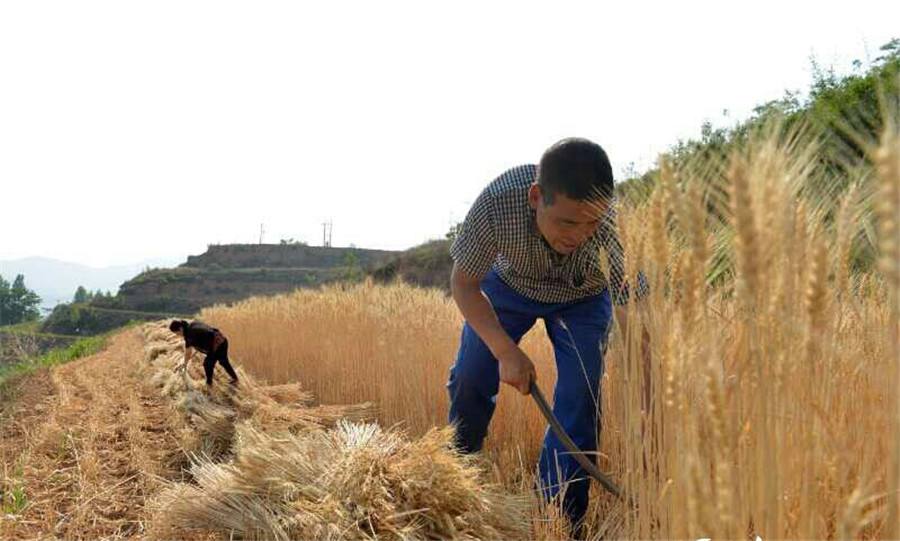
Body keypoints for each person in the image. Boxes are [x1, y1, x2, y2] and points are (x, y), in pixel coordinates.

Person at [446, 137, 649, 534]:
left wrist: (649, 403)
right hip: (510, 289)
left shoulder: (614, 228)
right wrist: (505, 350)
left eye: (592, 223)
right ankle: (454, 477)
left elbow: (634, 320)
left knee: (581, 400)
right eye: (568, 222)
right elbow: (464, 284)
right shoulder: (498, 202)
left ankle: (558, 519)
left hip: (583, 300)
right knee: (471, 375)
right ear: (536, 197)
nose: (580, 235)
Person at [169, 319, 239, 391]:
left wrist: (185, 364)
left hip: (216, 345)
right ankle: (235, 379)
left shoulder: (189, 335)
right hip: (222, 340)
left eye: (177, 333)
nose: (177, 335)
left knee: (208, 364)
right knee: (223, 362)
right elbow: (203, 335)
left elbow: (188, 353)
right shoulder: (193, 324)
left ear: (180, 329)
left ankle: (209, 386)